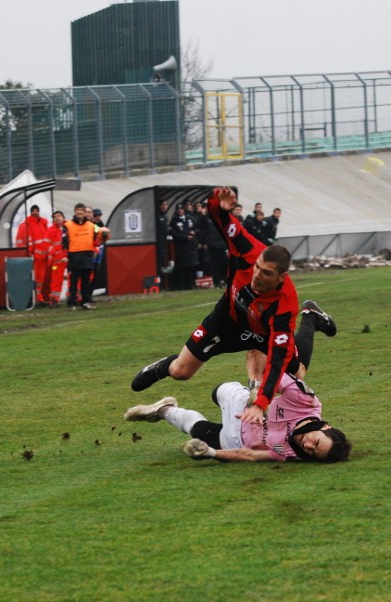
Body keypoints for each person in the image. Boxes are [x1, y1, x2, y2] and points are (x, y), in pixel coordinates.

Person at [131, 187, 337, 425]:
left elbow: (277, 359)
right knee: (181, 372)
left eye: (266, 273)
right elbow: (221, 220)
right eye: (257, 268)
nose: (257, 275)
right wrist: (218, 203)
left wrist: (260, 404)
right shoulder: (248, 250)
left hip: (263, 334)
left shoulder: (284, 305)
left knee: (296, 373)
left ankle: (309, 317)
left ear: (281, 278)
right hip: (226, 321)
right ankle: (157, 368)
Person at [124, 301, 351, 463]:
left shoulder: (292, 451)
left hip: (237, 434)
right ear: (325, 428)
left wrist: (211, 454)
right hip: (224, 327)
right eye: (316, 443)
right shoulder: (307, 405)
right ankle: (310, 317)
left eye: (312, 453)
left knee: (201, 431)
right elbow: (273, 368)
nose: (308, 446)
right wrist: (257, 395)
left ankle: (163, 410)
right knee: (186, 373)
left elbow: (251, 455)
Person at [63, 202, 98, 309]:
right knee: (73, 282)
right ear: (74, 211)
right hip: (74, 256)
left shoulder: (92, 225)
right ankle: (71, 303)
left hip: (87, 256)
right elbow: (64, 241)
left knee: (86, 281)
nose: (79, 212)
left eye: (81, 210)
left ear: (84, 212)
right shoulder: (68, 225)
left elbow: (98, 237)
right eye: (77, 210)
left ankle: (85, 302)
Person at [15, 204, 50, 305]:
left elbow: (47, 240)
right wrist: (26, 255)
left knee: (40, 280)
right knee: (31, 280)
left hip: (43, 258)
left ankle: (39, 298)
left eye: (37, 210)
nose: (35, 212)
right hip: (31, 258)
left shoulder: (43, 223)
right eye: (33, 210)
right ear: (30, 212)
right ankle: (31, 300)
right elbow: (20, 242)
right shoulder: (25, 225)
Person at [168, 203, 198, 290]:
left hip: (191, 247)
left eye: (181, 209)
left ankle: (189, 284)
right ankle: (180, 285)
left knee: (191, 267)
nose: (180, 211)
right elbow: (174, 233)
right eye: (178, 209)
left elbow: (197, 228)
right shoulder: (174, 221)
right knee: (182, 267)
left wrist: (194, 232)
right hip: (181, 247)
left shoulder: (189, 219)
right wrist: (185, 237)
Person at [46, 211, 68, 308]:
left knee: (74, 279)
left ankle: (74, 298)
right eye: (55, 217)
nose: (57, 218)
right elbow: (47, 245)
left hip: (69, 258)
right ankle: (54, 300)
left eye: (59, 216)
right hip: (57, 261)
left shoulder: (69, 227)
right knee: (56, 281)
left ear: (63, 217)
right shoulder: (50, 230)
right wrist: (54, 252)